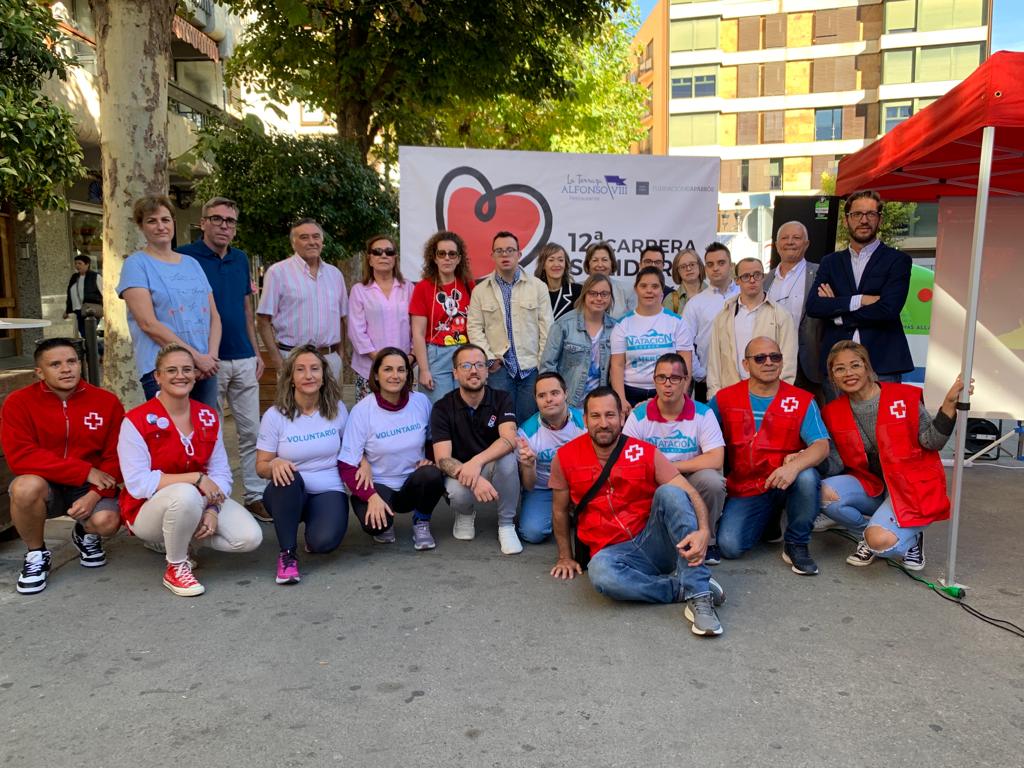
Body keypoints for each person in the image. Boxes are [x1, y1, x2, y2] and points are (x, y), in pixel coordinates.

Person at [548, 387, 724, 637]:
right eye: (595, 416)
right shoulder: (564, 457)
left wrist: (705, 531)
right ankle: (683, 588)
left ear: (622, 417)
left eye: (610, 415)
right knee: (601, 575)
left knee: (671, 493)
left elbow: (690, 493)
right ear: (584, 419)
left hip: (654, 540)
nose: (603, 423)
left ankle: (700, 597)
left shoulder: (644, 451)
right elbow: (559, 511)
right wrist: (565, 556)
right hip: (613, 552)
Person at [117, 344, 263, 597]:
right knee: (185, 493)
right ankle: (176, 565)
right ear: (157, 377)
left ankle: (182, 537)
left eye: (187, 369)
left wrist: (213, 510)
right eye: (171, 370)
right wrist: (196, 478)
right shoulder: (136, 420)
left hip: (200, 501)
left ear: (196, 374)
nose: (180, 375)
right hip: (147, 510)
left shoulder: (208, 415)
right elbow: (138, 483)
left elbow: (221, 473)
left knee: (248, 538)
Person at [819, 341, 963, 570]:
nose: (848, 373)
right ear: (832, 376)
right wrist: (803, 458)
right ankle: (866, 533)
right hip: (872, 485)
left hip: (909, 487)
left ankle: (905, 539)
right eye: (840, 369)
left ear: (867, 367)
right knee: (821, 492)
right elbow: (836, 464)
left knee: (880, 543)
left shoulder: (904, 397)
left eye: (855, 365)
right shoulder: (832, 411)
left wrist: (948, 407)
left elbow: (932, 441)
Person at [1, 339, 124, 595]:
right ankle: (36, 554)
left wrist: (94, 495)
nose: (66, 369)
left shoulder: (107, 402)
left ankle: (84, 533)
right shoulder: (18, 402)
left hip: (90, 488)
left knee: (108, 522)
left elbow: (117, 456)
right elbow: (21, 457)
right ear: (39, 372)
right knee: (24, 487)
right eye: (55, 364)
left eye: (71, 362)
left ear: (80, 364)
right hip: (46, 486)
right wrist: (83, 470)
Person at [178, 196, 269, 523]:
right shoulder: (185, 258)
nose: (223, 226)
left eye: (230, 221)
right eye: (216, 219)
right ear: (203, 222)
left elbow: (247, 308)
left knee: (252, 432)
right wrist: (193, 358)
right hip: (206, 362)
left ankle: (256, 495)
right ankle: (215, 500)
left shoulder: (241, 258)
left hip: (243, 357)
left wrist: (257, 350)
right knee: (209, 435)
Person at [710, 337, 830, 575]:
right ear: (746, 364)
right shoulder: (725, 398)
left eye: (775, 357)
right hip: (746, 486)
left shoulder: (801, 399)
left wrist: (793, 468)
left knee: (806, 475)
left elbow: (821, 445)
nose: (768, 363)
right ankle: (769, 518)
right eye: (760, 358)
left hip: (786, 481)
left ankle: (796, 542)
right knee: (729, 546)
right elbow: (699, 427)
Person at [255, 345, 350, 585]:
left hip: (328, 487)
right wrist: (274, 463)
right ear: (291, 378)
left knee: (324, 544)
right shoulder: (275, 415)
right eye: (301, 370)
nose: (308, 376)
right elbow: (261, 466)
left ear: (324, 375)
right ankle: (287, 554)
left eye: (315, 369)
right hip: (286, 490)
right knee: (289, 475)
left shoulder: (337, 409)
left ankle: (313, 528)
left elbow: (350, 452)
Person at [806, 190, 913, 398]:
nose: (864, 220)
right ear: (846, 220)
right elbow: (814, 306)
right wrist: (860, 300)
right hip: (837, 364)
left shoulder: (897, 260)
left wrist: (837, 313)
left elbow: (888, 309)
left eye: (870, 214)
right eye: (857, 214)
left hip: (882, 363)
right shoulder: (830, 262)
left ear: (879, 219)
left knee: (882, 428)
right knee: (838, 426)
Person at [117, 195, 221, 409]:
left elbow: (214, 316)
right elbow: (148, 324)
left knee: (205, 433)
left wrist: (210, 357)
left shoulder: (192, 264)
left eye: (165, 220)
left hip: (204, 368)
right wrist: (193, 358)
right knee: (170, 436)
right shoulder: (136, 265)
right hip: (166, 369)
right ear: (141, 226)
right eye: (151, 221)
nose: (160, 226)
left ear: (173, 221)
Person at [339, 347, 446, 551]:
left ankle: (421, 521)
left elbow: (434, 441)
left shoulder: (421, 402)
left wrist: (430, 460)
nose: (395, 376)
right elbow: (346, 464)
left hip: (412, 482)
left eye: (401, 370)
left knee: (432, 475)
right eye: (388, 369)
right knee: (375, 525)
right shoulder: (363, 410)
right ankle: (381, 521)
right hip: (379, 486)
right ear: (376, 375)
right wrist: (370, 496)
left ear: (408, 374)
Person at [623, 353, 727, 564]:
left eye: (674, 378)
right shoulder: (639, 415)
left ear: (686, 381)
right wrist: (660, 472)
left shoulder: (703, 413)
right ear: (654, 381)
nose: (667, 384)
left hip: (690, 477)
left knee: (713, 481)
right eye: (661, 378)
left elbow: (716, 459)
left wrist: (670, 467)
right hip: (653, 480)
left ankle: (708, 540)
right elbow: (626, 458)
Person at [430, 344, 522, 555]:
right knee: (456, 491)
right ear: (455, 372)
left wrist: (477, 462)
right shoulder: (442, 407)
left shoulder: (501, 399)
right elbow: (443, 459)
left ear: (487, 370)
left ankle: (506, 524)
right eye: (466, 365)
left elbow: (509, 439)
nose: (474, 370)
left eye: (480, 364)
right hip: (460, 471)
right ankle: (465, 513)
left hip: (488, 464)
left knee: (508, 459)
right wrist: (472, 474)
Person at [467, 231, 553, 424]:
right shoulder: (480, 290)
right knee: (500, 422)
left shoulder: (538, 287)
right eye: (499, 251)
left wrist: (542, 366)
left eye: (509, 250)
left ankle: (528, 456)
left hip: (531, 369)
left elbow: (547, 328)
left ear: (519, 254)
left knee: (530, 423)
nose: (505, 255)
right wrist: (489, 360)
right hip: (499, 370)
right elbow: (474, 327)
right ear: (492, 255)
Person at [257, 218, 349, 384]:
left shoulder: (335, 274)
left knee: (329, 409)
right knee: (294, 409)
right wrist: (278, 362)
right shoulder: (278, 272)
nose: (312, 242)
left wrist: (339, 355)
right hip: (293, 359)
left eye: (316, 236)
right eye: (304, 237)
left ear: (322, 241)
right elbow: (263, 321)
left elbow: (342, 318)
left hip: (329, 360)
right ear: (293, 243)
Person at [706, 257, 797, 398]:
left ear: (763, 277)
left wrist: (779, 398)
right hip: (731, 393)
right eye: (746, 276)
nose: (752, 280)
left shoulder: (781, 315)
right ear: (737, 280)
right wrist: (714, 396)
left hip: (769, 396)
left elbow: (788, 363)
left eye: (757, 275)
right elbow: (714, 362)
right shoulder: (723, 316)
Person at [515, 372, 586, 544]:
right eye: (542, 395)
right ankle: (560, 513)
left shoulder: (584, 422)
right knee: (532, 533)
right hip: (543, 488)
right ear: (535, 399)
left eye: (555, 393)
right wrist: (529, 465)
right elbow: (529, 485)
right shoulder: (525, 433)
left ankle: (566, 512)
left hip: (578, 485)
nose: (549, 399)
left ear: (565, 394)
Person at [610, 266, 692, 407]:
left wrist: (681, 396)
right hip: (631, 393)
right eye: (643, 286)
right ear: (636, 289)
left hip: (668, 391)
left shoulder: (677, 322)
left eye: (655, 286)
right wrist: (621, 399)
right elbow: (617, 365)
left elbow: (686, 363)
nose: (649, 291)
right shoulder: (622, 324)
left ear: (662, 290)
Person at [409, 230, 473, 404]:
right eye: (441, 253)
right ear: (434, 257)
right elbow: (418, 333)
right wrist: (424, 369)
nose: (447, 258)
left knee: (465, 407)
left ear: (459, 258)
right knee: (439, 408)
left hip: (464, 353)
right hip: (436, 355)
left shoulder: (468, 285)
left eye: (452, 254)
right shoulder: (423, 288)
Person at [347, 234, 413, 402]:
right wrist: (381, 361)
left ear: (395, 258)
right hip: (369, 368)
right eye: (377, 252)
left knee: (401, 417)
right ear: (369, 259)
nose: (383, 255)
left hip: (402, 369)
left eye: (389, 252)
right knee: (368, 419)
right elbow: (356, 331)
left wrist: (410, 357)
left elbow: (417, 326)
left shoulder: (409, 288)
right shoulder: (359, 290)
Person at [539, 273, 617, 408]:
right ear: (584, 294)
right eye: (593, 293)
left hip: (600, 405)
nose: (599, 298)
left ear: (610, 297)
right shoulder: (563, 324)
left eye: (604, 294)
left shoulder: (616, 328)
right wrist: (556, 399)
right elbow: (548, 366)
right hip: (568, 405)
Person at [765, 221, 823, 397]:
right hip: (771, 364)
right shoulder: (765, 280)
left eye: (796, 238)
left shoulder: (821, 274)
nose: (790, 242)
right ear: (777, 245)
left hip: (809, 366)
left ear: (806, 243)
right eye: (784, 238)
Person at [681, 242, 739, 402]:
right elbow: (684, 343)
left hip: (743, 379)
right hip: (707, 381)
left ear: (731, 265)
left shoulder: (745, 296)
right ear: (704, 269)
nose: (715, 268)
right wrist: (699, 373)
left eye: (721, 263)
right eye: (710, 264)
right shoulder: (695, 303)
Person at [583, 241, 634, 319]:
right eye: (595, 260)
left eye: (604, 260)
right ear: (588, 264)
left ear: (612, 263)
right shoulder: (577, 289)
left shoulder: (627, 290)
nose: (600, 265)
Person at [534, 242, 581, 321]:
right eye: (551, 260)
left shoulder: (578, 291)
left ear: (565, 264)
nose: (556, 264)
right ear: (543, 265)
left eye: (560, 260)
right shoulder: (535, 292)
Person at [64, 253, 103, 339]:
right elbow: (70, 294)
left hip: (91, 308)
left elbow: (104, 292)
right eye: (76, 263)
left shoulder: (95, 276)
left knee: (88, 332)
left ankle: (95, 350)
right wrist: (67, 310)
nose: (77, 265)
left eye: (80, 263)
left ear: (87, 264)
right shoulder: (74, 277)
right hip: (78, 310)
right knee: (83, 332)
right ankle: (92, 350)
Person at [662, 248, 706, 315]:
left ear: (699, 266)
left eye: (692, 264)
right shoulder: (670, 300)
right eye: (683, 267)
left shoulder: (715, 294)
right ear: (677, 271)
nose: (688, 269)